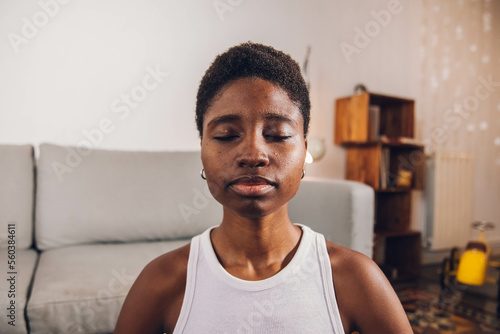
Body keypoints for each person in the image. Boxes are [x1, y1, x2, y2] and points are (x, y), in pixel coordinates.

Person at [114, 42, 412, 334]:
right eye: (226, 135)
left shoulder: (355, 279)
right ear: (202, 149)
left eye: (277, 134)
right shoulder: (161, 282)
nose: (254, 154)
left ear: (304, 151)